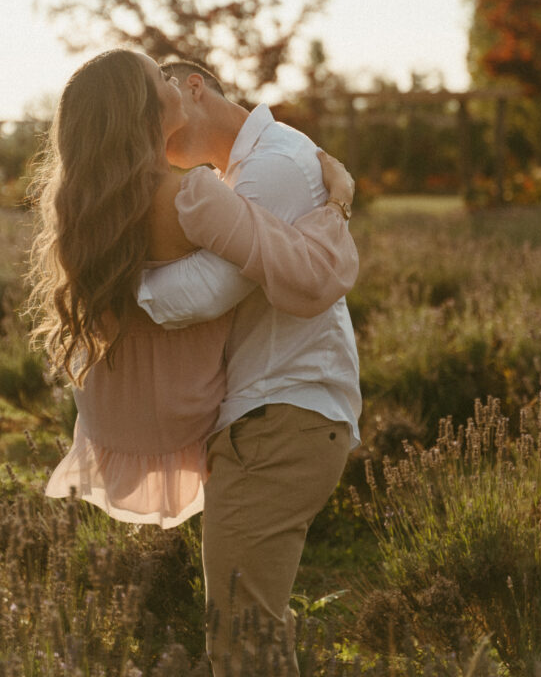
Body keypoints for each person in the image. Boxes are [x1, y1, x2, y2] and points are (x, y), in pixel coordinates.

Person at [29, 49, 357, 536]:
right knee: (239, 605)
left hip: (115, 420)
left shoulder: (89, 213)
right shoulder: (194, 196)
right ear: (145, 108)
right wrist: (339, 201)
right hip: (182, 413)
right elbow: (309, 276)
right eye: (159, 77)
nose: (171, 81)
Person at [135, 59, 361, 677]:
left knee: (244, 642)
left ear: (192, 88)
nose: (153, 139)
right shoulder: (248, 170)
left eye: (156, 112)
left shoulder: (272, 167)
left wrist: (116, 281)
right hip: (272, 418)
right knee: (249, 635)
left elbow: (205, 292)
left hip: (281, 419)